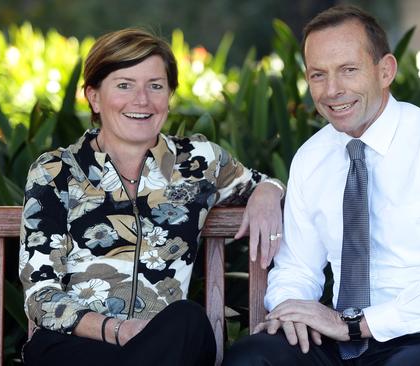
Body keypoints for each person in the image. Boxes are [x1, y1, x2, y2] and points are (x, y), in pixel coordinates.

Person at [224, 4, 420, 366]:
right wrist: (291, 310)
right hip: (338, 339)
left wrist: (355, 324)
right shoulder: (312, 157)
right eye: (318, 75)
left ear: (385, 71)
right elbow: (298, 269)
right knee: (254, 358)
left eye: (348, 70)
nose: (332, 90)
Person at [18, 28, 285, 366]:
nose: (142, 100)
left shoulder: (199, 163)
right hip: (77, 346)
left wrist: (268, 191)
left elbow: (264, 183)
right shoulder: (56, 171)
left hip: (165, 344)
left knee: (189, 320)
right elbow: (40, 294)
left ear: (169, 95)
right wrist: (119, 330)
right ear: (94, 97)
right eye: (124, 84)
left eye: (155, 86)